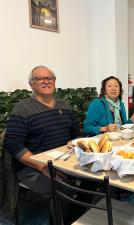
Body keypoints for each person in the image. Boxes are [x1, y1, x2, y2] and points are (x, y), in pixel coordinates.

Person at [4, 65, 81, 224]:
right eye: (40, 78)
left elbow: (76, 135)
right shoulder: (22, 109)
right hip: (32, 168)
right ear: (31, 84)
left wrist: (73, 142)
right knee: (62, 187)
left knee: (93, 178)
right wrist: (41, 166)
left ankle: (79, 218)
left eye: (49, 78)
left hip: (64, 161)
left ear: (54, 82)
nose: (46, 81)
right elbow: (13, 144)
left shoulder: (64, 106)